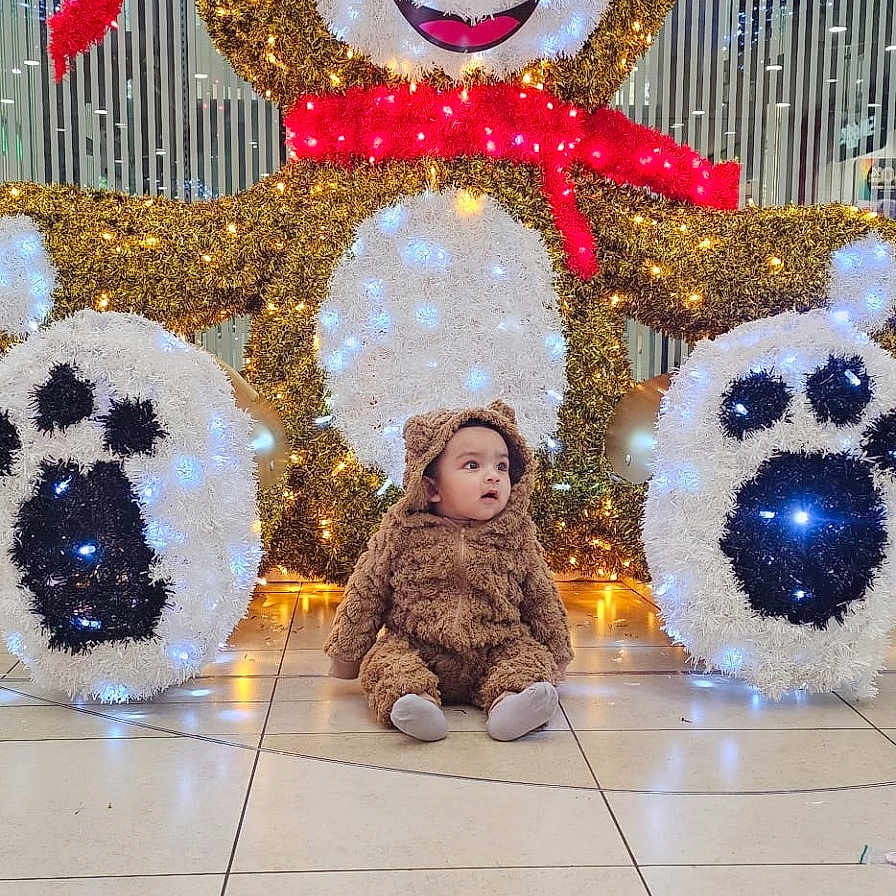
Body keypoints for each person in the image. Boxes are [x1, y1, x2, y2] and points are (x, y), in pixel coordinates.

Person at [325, 399, 573, 742]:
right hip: (417, 644)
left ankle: (512, 704)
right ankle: (414, 703)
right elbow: (368, 589)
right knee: (387, 662)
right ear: (431, 487)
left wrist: (556, 653)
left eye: (502, 467)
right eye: (472, 465)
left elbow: (541, 597)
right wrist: (346, 654)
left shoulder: (516, 532)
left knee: (526, 658)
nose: (493, 476)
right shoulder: (402, 531)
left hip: (496, 644)